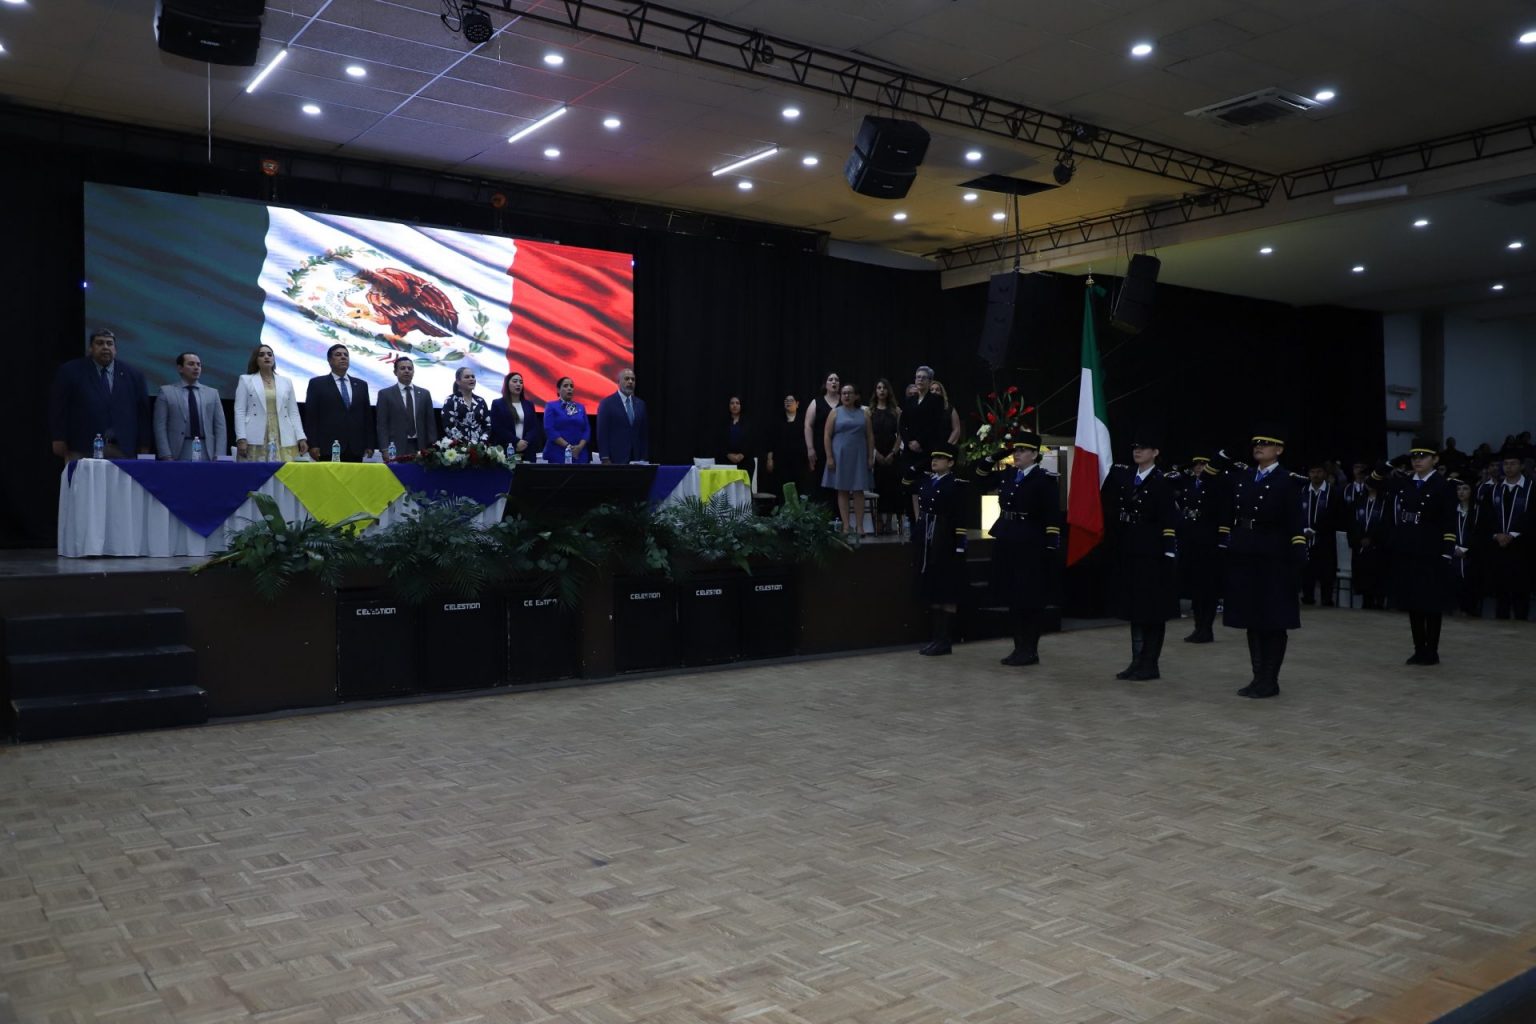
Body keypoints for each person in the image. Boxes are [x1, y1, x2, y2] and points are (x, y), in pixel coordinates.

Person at [1220, 425, 1306, 699]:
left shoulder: (1287, 481)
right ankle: (1257, 676)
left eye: (1266, 443)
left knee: (1273, 619)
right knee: (1251, 618)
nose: (1259, 447)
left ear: (1278, 450)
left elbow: (1295, 522)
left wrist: (1298, 552)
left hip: (1273, 556)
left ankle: (1270, 679)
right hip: (1245, 551)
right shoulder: (1244, 476)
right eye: (1256, 443)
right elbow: (1213, 481)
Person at [976, 432, 1061, 667]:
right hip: (1007, 536)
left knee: (1029, 597)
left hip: (1030, 540)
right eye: (1016, 450)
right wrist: (995, 456)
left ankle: (1030, 649)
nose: (1017, 454)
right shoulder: (1009, 474)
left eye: (1023, 451)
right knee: (1012, 595)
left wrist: (1051, 544)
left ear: (1034, 454)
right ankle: (1018, 647)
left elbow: (1052, 514)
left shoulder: (1044, 480)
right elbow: (980, 477)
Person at [1102, 433, 1180, 681]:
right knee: (1135, 609)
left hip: (1152, 551)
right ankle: (1136, 661)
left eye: (1144, 448)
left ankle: (1150, 663)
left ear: (1155, 452)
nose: (1138, 451)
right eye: (1135, 447)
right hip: (1129, 548)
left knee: (1152, 610)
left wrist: (1168, 550)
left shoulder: (1162, 481)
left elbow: (1168, 519)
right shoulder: (1125, 476)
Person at [1385, 440, 1457, 664]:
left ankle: (1431, 650)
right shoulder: (1406, 481)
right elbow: (1374, 480)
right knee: (1413, 602)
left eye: (1423, 456)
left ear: (1435, 459)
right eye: (1414, 456)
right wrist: (1391, 462)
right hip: (1408, 549)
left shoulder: (1443, 485)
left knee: (1431, 603)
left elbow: (1449, 522)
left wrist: (1447, 551)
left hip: (1431, 551)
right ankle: (1419, 648)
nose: (1417, 460)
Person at [49, 328, 151, 459]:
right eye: (100, 343)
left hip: (123, 447)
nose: (105, 347)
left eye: (109, 343)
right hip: (82, 446)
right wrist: (59, 438)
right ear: (90, 348)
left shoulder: (134, 375)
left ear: (115, 349)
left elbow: (142, 413)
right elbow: (59, 407)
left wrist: (144, 444)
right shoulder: (70, 371)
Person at [914, 448, 968, 656]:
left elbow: (960, 516)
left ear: (951, 462)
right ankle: (936, 638)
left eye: (940, 458)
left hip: (946, 538)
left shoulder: (955, 484)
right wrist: (920, 463)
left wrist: (960, 544)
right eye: (933, 458)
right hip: (929, 537)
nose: (934, 461)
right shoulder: (928, 481)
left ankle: (945, 639)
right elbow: (907, 481)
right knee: (934, 589)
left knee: (947, 590)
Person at [1176, 454, 1227, 643]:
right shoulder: (1188, 483)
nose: (1199, 467)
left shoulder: (1216, 485)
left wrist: (1222, 540)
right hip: (1190, 538)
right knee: (1195, 586)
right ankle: (1198, 627)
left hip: (1209, 540)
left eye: (1204, 464)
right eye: (1196, 464)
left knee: (1208, 587)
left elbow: (1224, 512)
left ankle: (1206, 628)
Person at [1478, 447, 1532, 620]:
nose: (1508, 467)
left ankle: (1522, 624)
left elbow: (1532, 516)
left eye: (1513, 463)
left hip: (1523, 547)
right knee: (1501, 592)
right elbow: (1486, 517)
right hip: (1498, 547)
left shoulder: (1531, 489)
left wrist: (1513, 534)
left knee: (1521, 591)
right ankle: (1500, 626)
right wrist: (1497, 535)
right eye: (1506, 464)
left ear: (1522, 466)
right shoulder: (1494, 490)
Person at [235, 344, 308, 462]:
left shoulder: (286, 382)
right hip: (256, 434)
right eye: (261, 355)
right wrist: (241, 438)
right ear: (256, 360)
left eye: (270, 354)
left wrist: (301, 437)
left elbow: (293, 412)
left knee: (284, 470)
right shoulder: (246, 380)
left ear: (274, 359)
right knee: (257, 470)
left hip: (283, 433)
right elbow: (240, 411)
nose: (266, 357)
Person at [303, 343, 373, 461]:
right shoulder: (317, 384)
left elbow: (367, 417)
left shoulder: (361, 385)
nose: (343, 357)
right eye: (338, 355)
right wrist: (313, 444)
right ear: (330, 360)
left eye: (346, 355)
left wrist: (369, 444)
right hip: (327, 447)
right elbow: (311, 417)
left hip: (355, 448)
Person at [822, 384, 875, 537]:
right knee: (843, 489)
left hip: (859, 455)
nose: (846, 396)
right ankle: (846, 526)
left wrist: (870, 457)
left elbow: (870, 436)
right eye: (844, 393)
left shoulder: (864, 413)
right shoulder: (835, 412)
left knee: (859, 490)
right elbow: (827, 435)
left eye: (849, 393)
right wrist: (829, 457)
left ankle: (859, 526)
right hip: (840, 456)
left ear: (856, 396)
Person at [153, 351, 226, 461]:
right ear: (180, 368)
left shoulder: (212, 393)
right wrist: (165, 454)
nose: (196, 368)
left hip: (207, 450)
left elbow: (220, 427)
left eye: (198, 364)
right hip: (178, 450)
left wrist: (219, 455)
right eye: (191, 364)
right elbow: (160, 426)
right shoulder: (166, 392)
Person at [900, 366, 949, 523]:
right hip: (910, 450)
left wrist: (919, 441)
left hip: (926, 449)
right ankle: (916, 521)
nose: (919, 380)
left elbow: (934, 425)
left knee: (925, 485)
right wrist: (908, 441)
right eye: (917, 377)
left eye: (923, 377)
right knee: (912, 487)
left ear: (930, 381)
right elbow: (902, 424)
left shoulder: (936, 400)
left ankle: (927, 519)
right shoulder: (910, 400)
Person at [375, 356, 438, 458]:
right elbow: (382, 425)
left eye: (410, 368)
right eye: (402, 368)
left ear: (413, 372)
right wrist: (384, 448)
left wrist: (433, 446)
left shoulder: (424, 394)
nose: (407, 371)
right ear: (395, 372)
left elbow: (430, 423)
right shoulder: (385, 394)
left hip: (421, 446)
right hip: (395, 447)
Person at [1300, 458, 1343, 607]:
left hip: (1325, 539)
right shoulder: (1302, 491)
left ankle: (1326, 600)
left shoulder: (1334, 493)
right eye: (1312, 472)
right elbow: (1296, 513)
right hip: (1305, 538)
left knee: (1326, 571)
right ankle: (1307, 598)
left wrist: (1317, 529)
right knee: (1306, 570)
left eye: (1318, 471)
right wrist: (1304, 529)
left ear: (1325, 473)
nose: (1315, 475)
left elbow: (1336, 516)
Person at [1349, 466, 1391, 610]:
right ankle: (1366, 601)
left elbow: (1386, 525)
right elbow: (1352, 523)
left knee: (1378, 574)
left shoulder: (1385, 502)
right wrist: (1359, 539)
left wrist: (1372, 539)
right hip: (1361, 546)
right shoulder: (1359, 501)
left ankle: (1379, 601)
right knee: (1363, 575)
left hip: (1378, 547)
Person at [868, 378, 904, 536]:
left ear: (889, 391)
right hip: (876, 453)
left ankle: (889, 521)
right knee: (878, 486)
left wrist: (893, 453)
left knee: (891, 488)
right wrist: (875, 453)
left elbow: (900, 435)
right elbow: (868, 435)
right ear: (875, 391)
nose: (881, 390)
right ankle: (878, 521)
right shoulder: (870, 411)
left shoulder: (896, 411)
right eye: (879, 388)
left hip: (892, 454)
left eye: (884, 388)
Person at [595, 367, 647, 463]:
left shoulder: (640, 404)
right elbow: (602, 433)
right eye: (627, 379)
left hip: (636, 458)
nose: (630, 382)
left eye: (633, 379)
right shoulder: (607, 404)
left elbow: (643, 433)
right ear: (618, 382)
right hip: (615, 457)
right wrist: (605, 457)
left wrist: (644, 457)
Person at [803, 371, 841, 499]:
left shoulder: (844, 402)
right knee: (819, 481)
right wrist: (810, 448)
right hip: (820, 447)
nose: (834, 382)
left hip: (840, 448)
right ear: (825, 384)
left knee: (839, 483)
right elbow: (808, 426)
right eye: (831, 379)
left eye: (836, 380)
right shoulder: (816, 402)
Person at [489, 371, 543, 459]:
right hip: (506, 447)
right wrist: (516, 442)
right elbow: (498, 427)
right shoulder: (498, 404)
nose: (518, 384)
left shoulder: (529, 404)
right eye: (515, 381)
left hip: (527, 448)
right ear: (507, 384)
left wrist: (525, 442)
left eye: (521, 382)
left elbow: (533, 427)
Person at [762, 393, 806, 503]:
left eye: (791, 400)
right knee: (781, 487)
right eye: (786, 401)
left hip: (799, 461)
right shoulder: (777, 421)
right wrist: (770, 459)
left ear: (797, 404)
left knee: (799, 486)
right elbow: (770, 441)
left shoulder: (804, 420)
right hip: (781, 461)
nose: (788, 402)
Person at [1451, 476, 1481, 617]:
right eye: (1458, 489)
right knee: (1455, 582)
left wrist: (1466, 549)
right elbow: (1445, 531)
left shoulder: (1478, 510)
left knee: (1471, 582)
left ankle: (1469, 610)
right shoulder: (1451, 510)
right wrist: (1454, 547)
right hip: (1454, 554)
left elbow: (1481, 533)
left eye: (1465, 489)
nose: (1461, 492)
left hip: (1472, 555)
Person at [541, 376, 590, 463]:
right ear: (558, 390)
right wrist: (568, 447)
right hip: (558, 453)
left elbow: (587, 429)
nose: (569, 388)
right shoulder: (551, 406)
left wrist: (579, 447)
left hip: (579, 453)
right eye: (565, 386)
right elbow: (549, 429)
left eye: (571, 386)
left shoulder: (580, 407)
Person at [441, 366, 491, 444]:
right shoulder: (451, 400)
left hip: (480, 447)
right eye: (467, 377)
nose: (471, 379)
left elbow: (488, 425)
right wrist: (465, 444)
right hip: (458, 447)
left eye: (473, 376)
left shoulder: (480, 401)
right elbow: (448, 426)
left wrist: (481, 442)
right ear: (458, 381)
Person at [716, 396, 755, 475]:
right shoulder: (723, 423)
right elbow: (719, 441)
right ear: (729, 406)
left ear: (741, 406)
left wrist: (742, 454)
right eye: (732, 403)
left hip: (745, 461)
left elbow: (751, 440)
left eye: (737, 403)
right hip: (726, 461)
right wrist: (728, 454)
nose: (735, 405)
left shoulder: (748, 423)